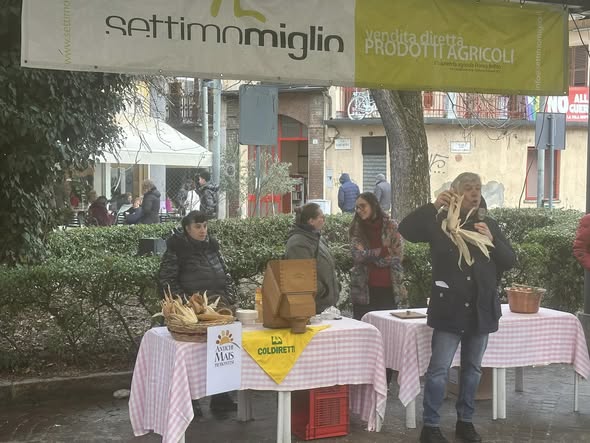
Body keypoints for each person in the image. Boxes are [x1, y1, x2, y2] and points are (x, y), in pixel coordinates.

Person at [398, 172, 516, 443]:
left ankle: (465, 422)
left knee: (473, 370)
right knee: (439, 370)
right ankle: (431, 426)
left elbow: (509, 260)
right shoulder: (439, 223)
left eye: (478, 188)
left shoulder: (488, 224)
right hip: (449, 308)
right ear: (455, 192)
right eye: (468, 188)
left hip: (480, 309)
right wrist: (433, 206)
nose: (474, 193)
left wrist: (493, 240)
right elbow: (406, 229)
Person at [158, 210, 237, 413]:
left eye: (205, 226)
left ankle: (221, 397)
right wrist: (186, 306)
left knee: (222, 353)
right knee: (193, 359)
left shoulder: (212, 246)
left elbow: (226, 274)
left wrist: (230, 297)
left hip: (218, 309)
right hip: (193, 313)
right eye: (198, 227)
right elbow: (167, 281)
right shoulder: (177, 250)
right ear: (187, 228)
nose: (203, 230)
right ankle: (190, 401)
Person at [349, 192, 405, 320]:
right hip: (363, 290)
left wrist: (368, 254)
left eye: (363, 206)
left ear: (373, 205)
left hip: (388, 288)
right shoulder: (356, 228)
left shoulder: (391, 226)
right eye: (357, 207)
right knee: (363, 327)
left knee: (387, 327)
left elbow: (398, 256)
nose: (359, 210)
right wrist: (382, 251)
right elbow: (357, 256)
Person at [285, 203, 340, 314]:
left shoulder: (317, 239)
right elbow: (301, 276)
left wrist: (335, 286)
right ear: (311, 221)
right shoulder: (298, 243)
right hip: (312, 307)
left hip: (326, 307)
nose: (324, 220)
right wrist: (323, 291)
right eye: (321, 217)